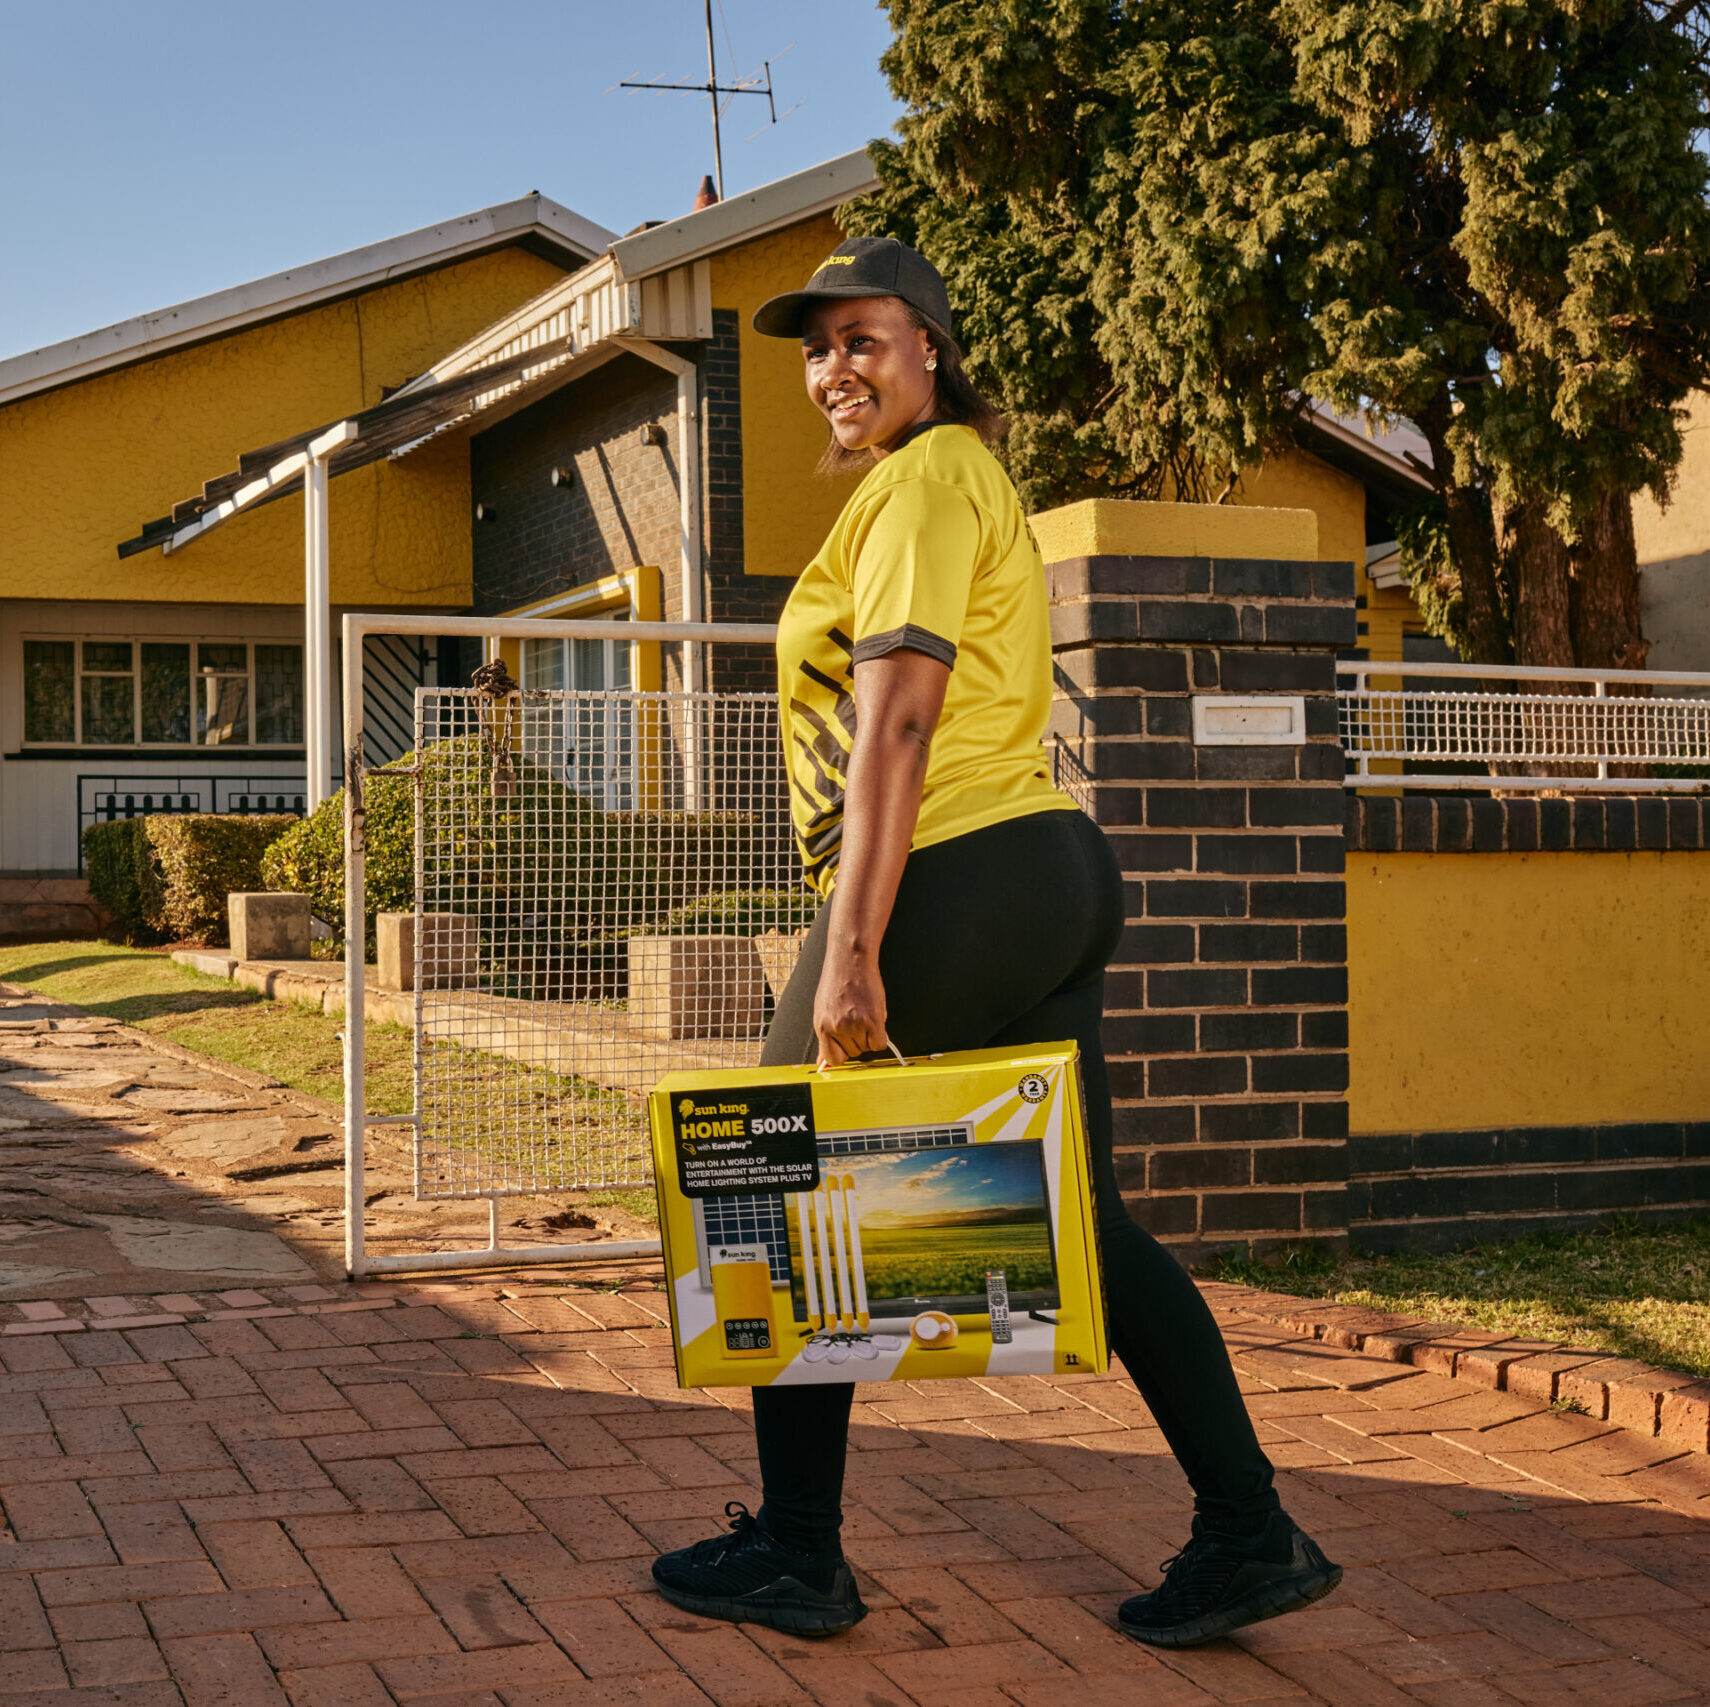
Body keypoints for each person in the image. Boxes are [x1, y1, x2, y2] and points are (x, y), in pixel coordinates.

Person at [651, 237, 1341, 1649]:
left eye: (864, 339)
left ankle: (794, 1553)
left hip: (949, 872)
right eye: (816, 346)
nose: (833, 369)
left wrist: (852, 943)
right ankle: (1246, 1530)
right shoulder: (960, 485)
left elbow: (899, 712)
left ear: (933, 348)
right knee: (1078, 1220)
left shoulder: (924, 480)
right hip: (1047, 871)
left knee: (773, 1191)